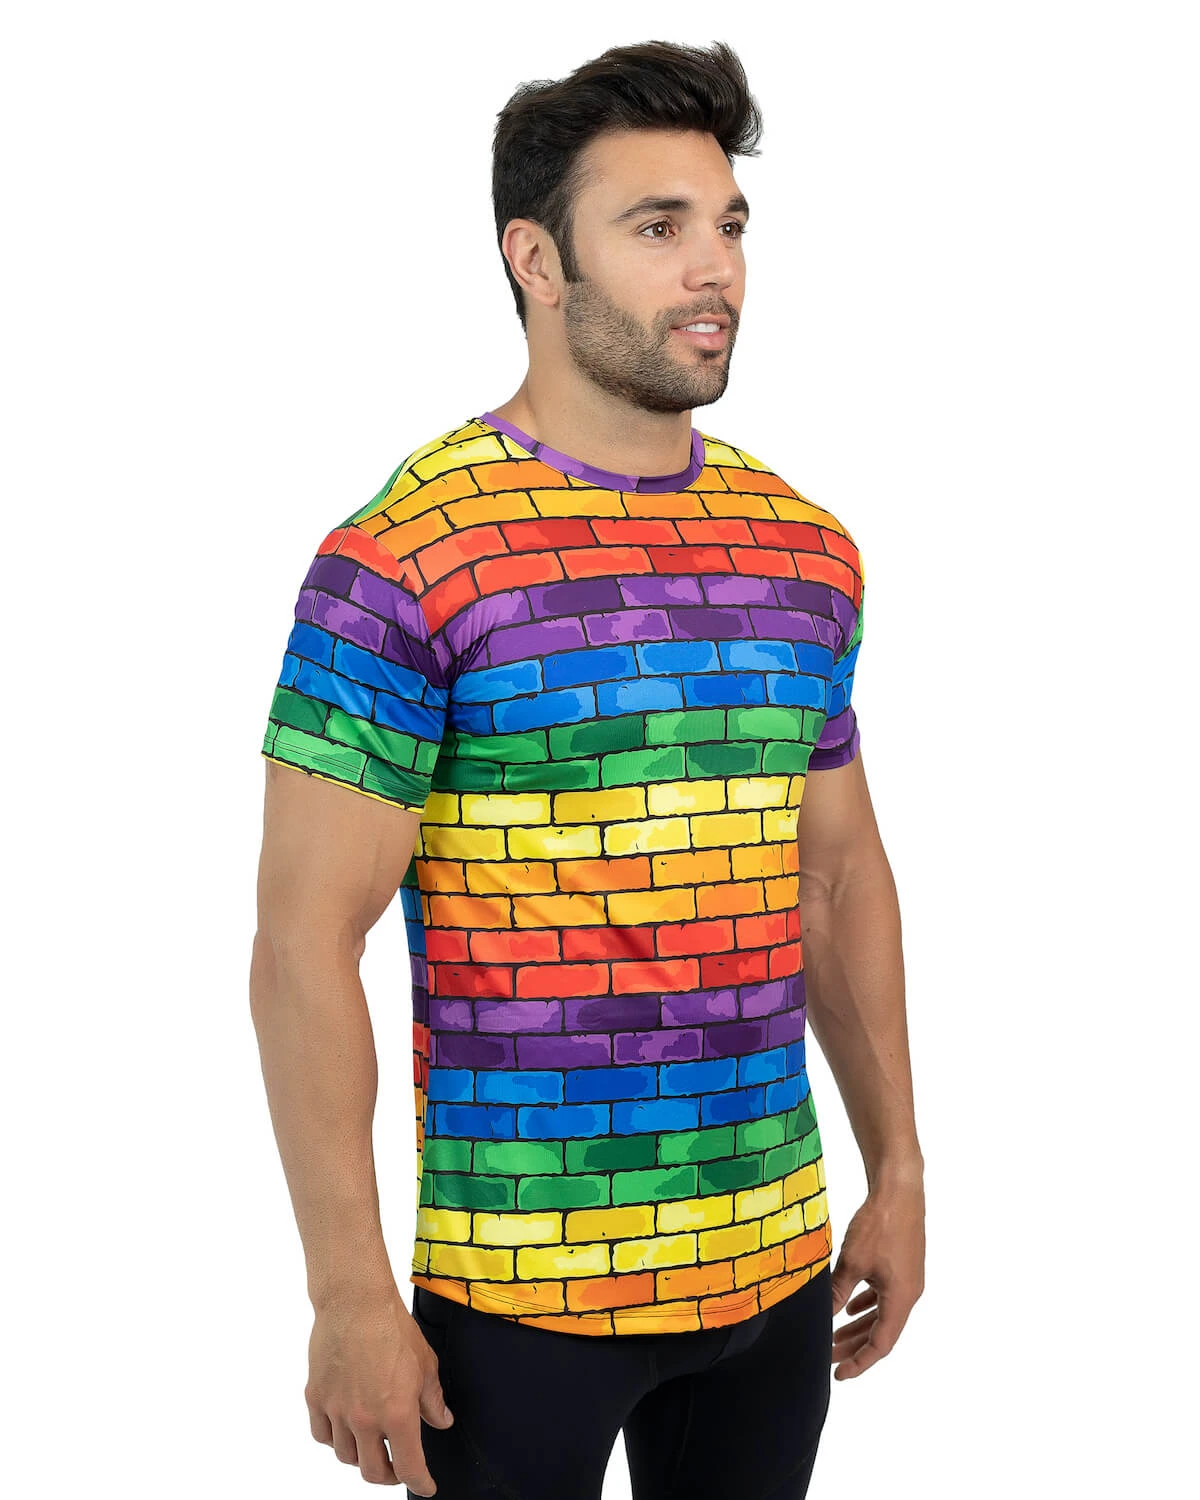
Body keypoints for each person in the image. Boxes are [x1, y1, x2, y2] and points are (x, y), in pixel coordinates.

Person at [250, 37, 924, 1500]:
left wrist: (901, 1167)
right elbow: (303, 941)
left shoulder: (803, 549)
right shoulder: (403, 558)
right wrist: (348, 1292)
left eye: (728, 223)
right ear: (537, 260)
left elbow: (834, 876)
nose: (714, 267)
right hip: (519, 1297)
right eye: (657, 227)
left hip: (774, 1271)